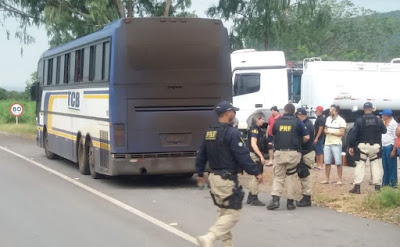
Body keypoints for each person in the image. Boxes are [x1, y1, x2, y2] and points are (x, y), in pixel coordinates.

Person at [195, 100, 263, 247]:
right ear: (228, 113)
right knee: (233, 214)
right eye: (234, 111)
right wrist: (256, 172)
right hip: (226, 180)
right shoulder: (232, 133)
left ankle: (227, 245)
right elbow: (242, 155)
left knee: (224, 213)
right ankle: (210, 237)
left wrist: (200, 173)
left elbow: (201, 155)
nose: (235, 114)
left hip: (213, 178)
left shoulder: (209, 132)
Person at [266, 103, 309, 211]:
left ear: (284, 111)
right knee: (291, 177)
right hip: (293, 154)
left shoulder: (277, 122)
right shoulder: (297, 122)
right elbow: (307, 137)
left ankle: (275, 200)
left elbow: (272, 134)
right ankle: (290, 203)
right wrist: (299, 141)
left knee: (278, 177)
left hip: (279, 152)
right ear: (294, 112)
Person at [348, 102, 386, 194]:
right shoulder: (378, 120)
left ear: (364, 109)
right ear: (372, 109)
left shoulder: (360, 120)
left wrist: (351, 146)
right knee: (376, 166)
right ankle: (377, 187)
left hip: (363, 146)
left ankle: (357, 187)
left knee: (360, 166)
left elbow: (353, 134)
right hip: (375, 147)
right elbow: (384, 131)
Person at [321, 105, 346, 185]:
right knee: (327, 161)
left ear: (336, 111)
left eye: (332, 110)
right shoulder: (328, 119)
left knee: (338, 162)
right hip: (327, 143)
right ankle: (327, 178)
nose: (330, 111)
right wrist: (326, 131)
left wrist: (331, 132)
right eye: (330, 109)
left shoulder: (341, 120)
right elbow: (325, 129)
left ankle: (340, 179)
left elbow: (342, 133)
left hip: (336, 143)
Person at [246, 111, 267, 206]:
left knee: (256, 176)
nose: (263, 121)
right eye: (262, 119)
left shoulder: (256, 129)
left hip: (254, 154)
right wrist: (261, 156)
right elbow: (253, 144)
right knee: (257, 176)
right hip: (255, 155)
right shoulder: (255, 130)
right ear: (258, 119)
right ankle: (254, 197)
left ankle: (250, 196)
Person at [296, 107, 315, 206]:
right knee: (302, 174)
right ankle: (305, 196)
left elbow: (305, 138)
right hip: (305, 152)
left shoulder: (307, 125)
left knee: (305, 174)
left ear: (302, 116)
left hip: (307, 153)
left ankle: (307, 198)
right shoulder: (305, 123)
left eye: (298, 116)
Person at [380, 109, 398, 187]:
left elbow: (396, 138)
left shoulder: (394, 124)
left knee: (392, 166)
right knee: (385, 166)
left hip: (390, 146)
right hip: (384, 146)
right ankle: (385, 183)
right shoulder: (384, 123)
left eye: (383, 115)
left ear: (386, 116)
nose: (382, 116)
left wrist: (394, 150)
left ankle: (393, 184)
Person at [313, 106, 326, 170]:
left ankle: (321, 165)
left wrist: (316, 138)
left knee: (319, 151)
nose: (315, 112)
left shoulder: (321, 119)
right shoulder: (318, 118)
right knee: (317, 151)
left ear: (319, 111)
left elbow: (320, 128)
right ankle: (318, 164)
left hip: (319, 137)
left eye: (316, 111)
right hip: (318, 137)